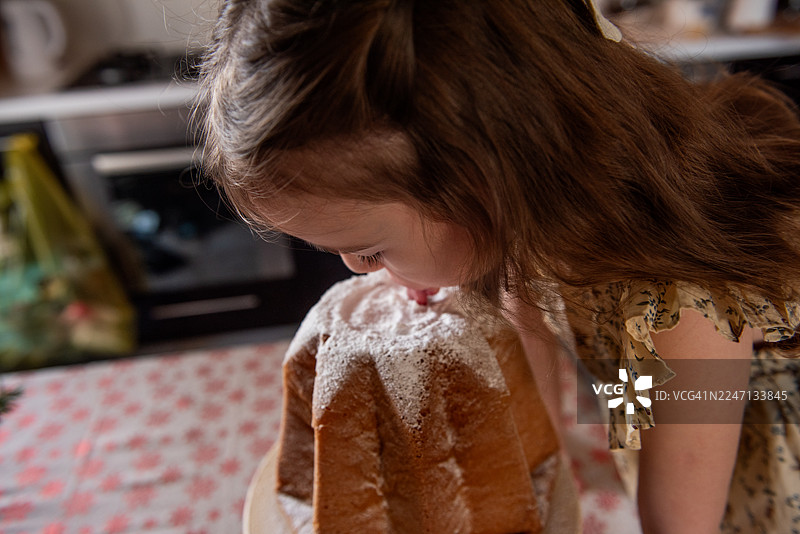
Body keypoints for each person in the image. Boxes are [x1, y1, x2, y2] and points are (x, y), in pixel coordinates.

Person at [194, 0, 800, 532]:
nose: (357, 269)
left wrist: (624, 443)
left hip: (762, 468)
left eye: (371, 249)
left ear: (481, 186)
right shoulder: (533, 214)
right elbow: (542, 335)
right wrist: (545, 459)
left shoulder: (684, 304)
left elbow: (678, 521)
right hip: (665, 397)